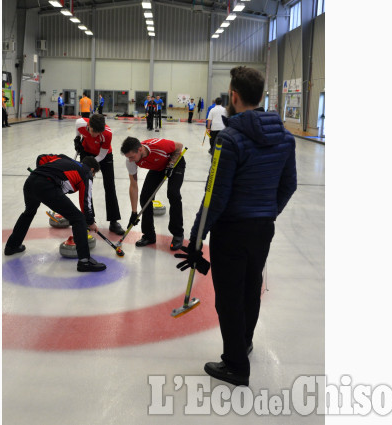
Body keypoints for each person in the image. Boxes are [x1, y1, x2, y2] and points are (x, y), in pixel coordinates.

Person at [174, 66, 297, 386]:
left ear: (234, 96)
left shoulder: (229, 139)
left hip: (231, 230)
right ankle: (244, 341)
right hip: (262, 229)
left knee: (228, 297)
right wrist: (268, 212)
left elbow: (215, 195)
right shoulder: (285, 137)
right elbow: (289, 185)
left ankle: (235, 364)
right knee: (250, 288)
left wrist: (196, 238)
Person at [4, 154, 106, 272]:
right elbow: (85, 201)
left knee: (29, 212)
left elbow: (41, 158)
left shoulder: (65, 158)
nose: (92, 176)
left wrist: (43, 173)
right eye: (94, 174)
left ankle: (12, 246)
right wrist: (90, 221)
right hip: (46, 186)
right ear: (92, 169)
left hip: (31, 181)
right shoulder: (86, 173)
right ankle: (84, 261)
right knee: (78, 219)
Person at [120, 137, 185, 251]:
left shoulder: (159, 145)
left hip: (175, 164)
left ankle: (178, 234)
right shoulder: (130, 161)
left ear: (140, 149)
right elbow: (133, 185)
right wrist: (134, 212)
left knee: (173, 194)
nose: (130, 160)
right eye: (128, 157)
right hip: (157, 168)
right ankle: (149, 235)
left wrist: (171, 164)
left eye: (132, 157)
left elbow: (179, 145)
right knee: (145, 198)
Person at [73, 114, 125, 235]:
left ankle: (113, 221)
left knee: (110, 186)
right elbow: (77, 125)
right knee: (85, 187)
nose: (94, 135)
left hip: (104, 156)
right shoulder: (81, 123)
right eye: (92, 131)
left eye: (98, 133)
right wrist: (77, 139)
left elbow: (101, 155)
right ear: (88, 125)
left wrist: (87, 164)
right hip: (86, 152)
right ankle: (88, 219)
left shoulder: (107, 133)